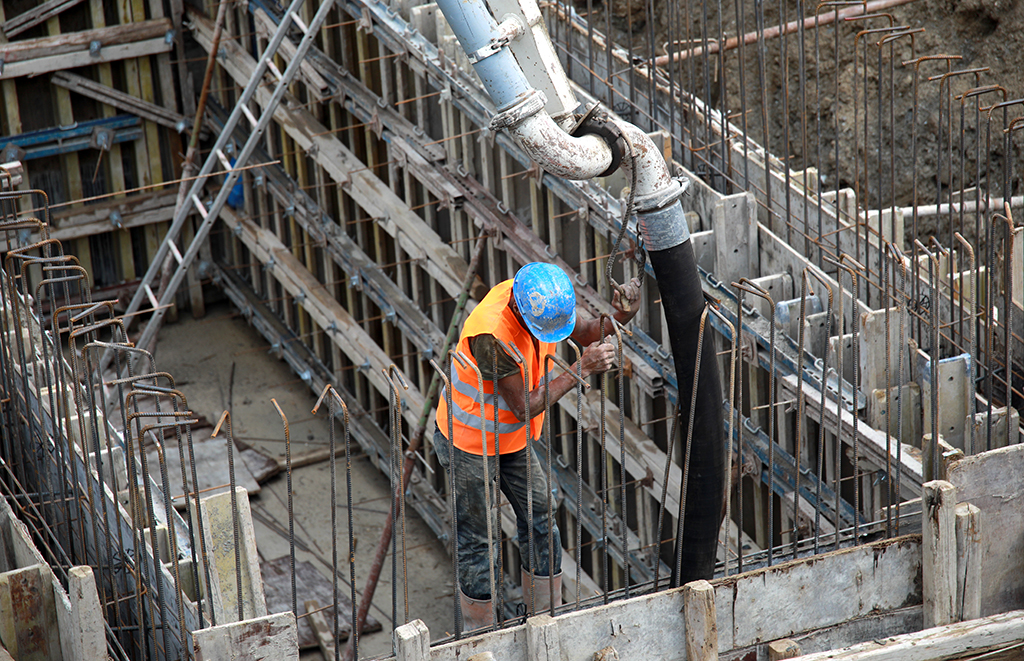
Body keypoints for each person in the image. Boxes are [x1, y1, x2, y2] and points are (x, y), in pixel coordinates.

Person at [433, 262, 641, 630]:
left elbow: (588, 331)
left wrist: (622, 314)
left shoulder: (545, 301)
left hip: (509, 437)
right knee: (479, 537)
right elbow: (523, 406)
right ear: (518, 307)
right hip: (469, 440)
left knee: (541, 512)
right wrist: (581, 369)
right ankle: (481, 631)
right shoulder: (492, 334)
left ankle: (544, 618)